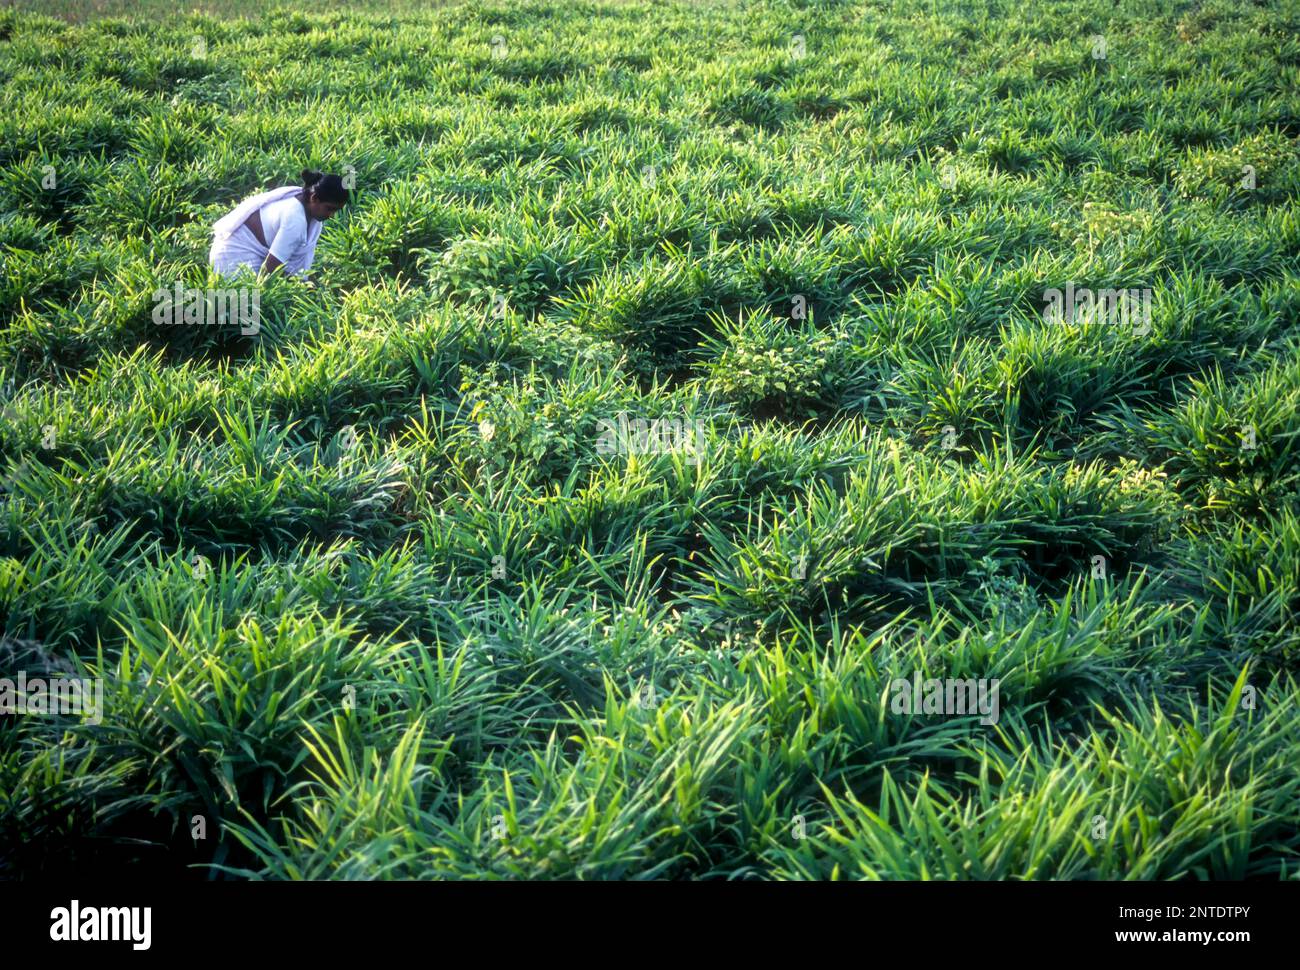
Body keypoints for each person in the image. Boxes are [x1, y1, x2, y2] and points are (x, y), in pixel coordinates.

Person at [208, 170, 349, 279]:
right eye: (330, 209)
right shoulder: (295, 220)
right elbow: (269, 270)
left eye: (336, 210)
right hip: (232, 257)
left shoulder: (306, 205)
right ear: (314, 198)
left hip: (247, 254)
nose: (332, 215)